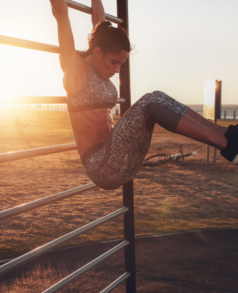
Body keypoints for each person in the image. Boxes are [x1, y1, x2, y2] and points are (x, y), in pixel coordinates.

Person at [50, 0, 237, 190]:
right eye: (114, 62)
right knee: (150, 101)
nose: (117, 70)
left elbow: (99, 20)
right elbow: (61, 13)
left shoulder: (101, 64)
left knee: (157, 95)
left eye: (120, 64)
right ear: (97, 52)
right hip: (102, 166)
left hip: (122, 156)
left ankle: (228, 134)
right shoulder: (75, 70)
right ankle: (226, 145)